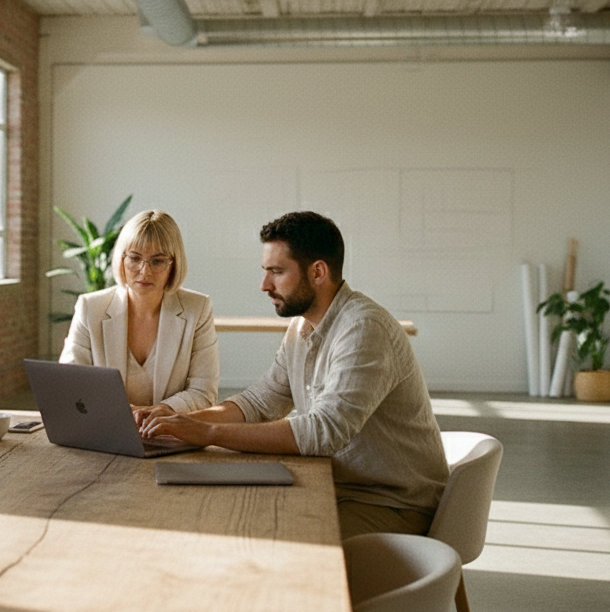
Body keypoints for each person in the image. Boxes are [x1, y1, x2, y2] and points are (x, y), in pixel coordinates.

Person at [143, 211, 449, 539]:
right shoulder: (301, 327)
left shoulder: (364, 329)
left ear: (318, 272)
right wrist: (176, 424)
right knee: (228, 519)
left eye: (276, 271)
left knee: (264, 540)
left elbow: (322, 431)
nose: (264, 285)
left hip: (391, 505)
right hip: (338, 487)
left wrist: (208, 432)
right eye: (265, 271)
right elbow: (259, 402)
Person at [60, 209, 219, 423]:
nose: (144, 272)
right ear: (121, 259)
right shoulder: (91, 307)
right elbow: (70, 383)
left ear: (174, 264)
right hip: (106, 427)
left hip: (170, 432)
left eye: (157, 261)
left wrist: (158, 412)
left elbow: (203, 392)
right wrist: (123, 411)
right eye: (135, 258)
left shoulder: (197, 308)